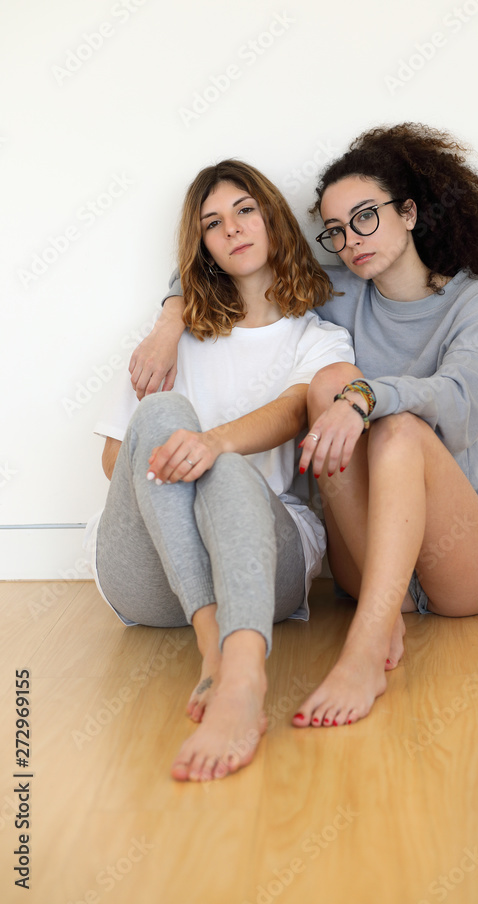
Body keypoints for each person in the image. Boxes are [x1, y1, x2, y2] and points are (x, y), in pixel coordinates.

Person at [129, 123, 478, 732]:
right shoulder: (338, 287)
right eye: (336, 230)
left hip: (462, 555)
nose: (350, 241)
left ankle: (365, 652)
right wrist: (166, 324)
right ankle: (380, 606)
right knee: (323, 385)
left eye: (366, 217)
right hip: (363, 546)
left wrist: (369, 395)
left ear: (411, 212)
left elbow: (467, 400)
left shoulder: (476, 300)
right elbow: (232, 265)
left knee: (396, 431)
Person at [84, 159, 354, 782]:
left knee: (232, 472)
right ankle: (214, 646)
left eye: (245, 211)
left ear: (273, 219)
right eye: (212, 223)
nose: (231, 229)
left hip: (263, 569)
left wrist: (210, 449)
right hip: (151, 574)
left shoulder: (317, 338)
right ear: (199, 246)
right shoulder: (171, 339)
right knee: (162, 413)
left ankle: (241, 678)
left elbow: (293, 412)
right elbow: (113, 461)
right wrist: (169, 329)